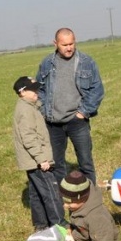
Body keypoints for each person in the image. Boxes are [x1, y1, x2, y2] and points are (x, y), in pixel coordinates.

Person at [35, 28, 105, 186]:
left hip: (77, 121)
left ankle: (89, 200)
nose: (69, 48)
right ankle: (60, 199)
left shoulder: (86, 62)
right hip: (53, 123)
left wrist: (83, 113)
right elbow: (40, 89)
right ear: (55, 43)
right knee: (56, 165)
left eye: (71, 43)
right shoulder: (47, 63)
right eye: (64, 44)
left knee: (86, 163)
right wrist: (45, 110)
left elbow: (97, 89)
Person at [12, 75, 65, 230]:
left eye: (36, 88)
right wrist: (42, 159)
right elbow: (28, 137)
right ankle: (59, 225)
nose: (37, 91)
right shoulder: (25, 110)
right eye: (32, 89)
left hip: (32, 161)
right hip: (37, 161)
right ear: (22, 92)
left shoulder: (29, 107)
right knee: (51, 192)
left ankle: (41, 226)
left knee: (36, 194)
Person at [59, 170, 120, 241]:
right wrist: (68, 232)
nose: (64, 206)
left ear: (81, 198)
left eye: (68, 202)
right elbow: (74, 223)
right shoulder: (78, 205)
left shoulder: (97, 218)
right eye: (63, 200)